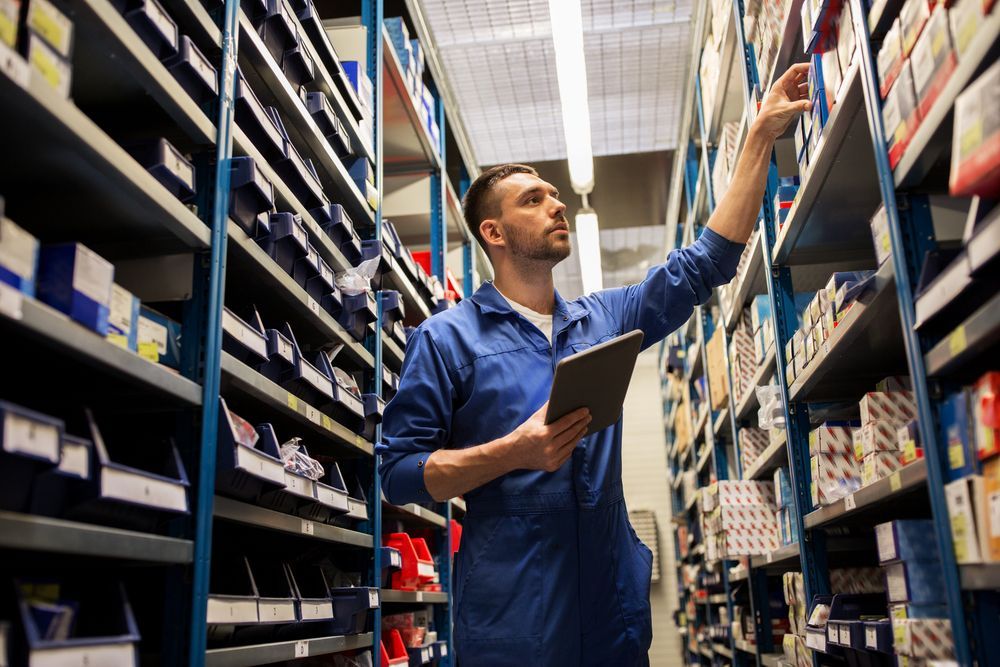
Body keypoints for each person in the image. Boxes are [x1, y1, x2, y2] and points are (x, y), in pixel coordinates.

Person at [378, 63, 813, 666]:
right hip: (515, 620)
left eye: (556, 195)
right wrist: (512, 452)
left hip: (610, 610)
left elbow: (708, 262)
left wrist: (760, 134)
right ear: (493, 232)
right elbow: (399, 472)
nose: (557, 206)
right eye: (534, 200)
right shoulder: (445, 339)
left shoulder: (604, 319)